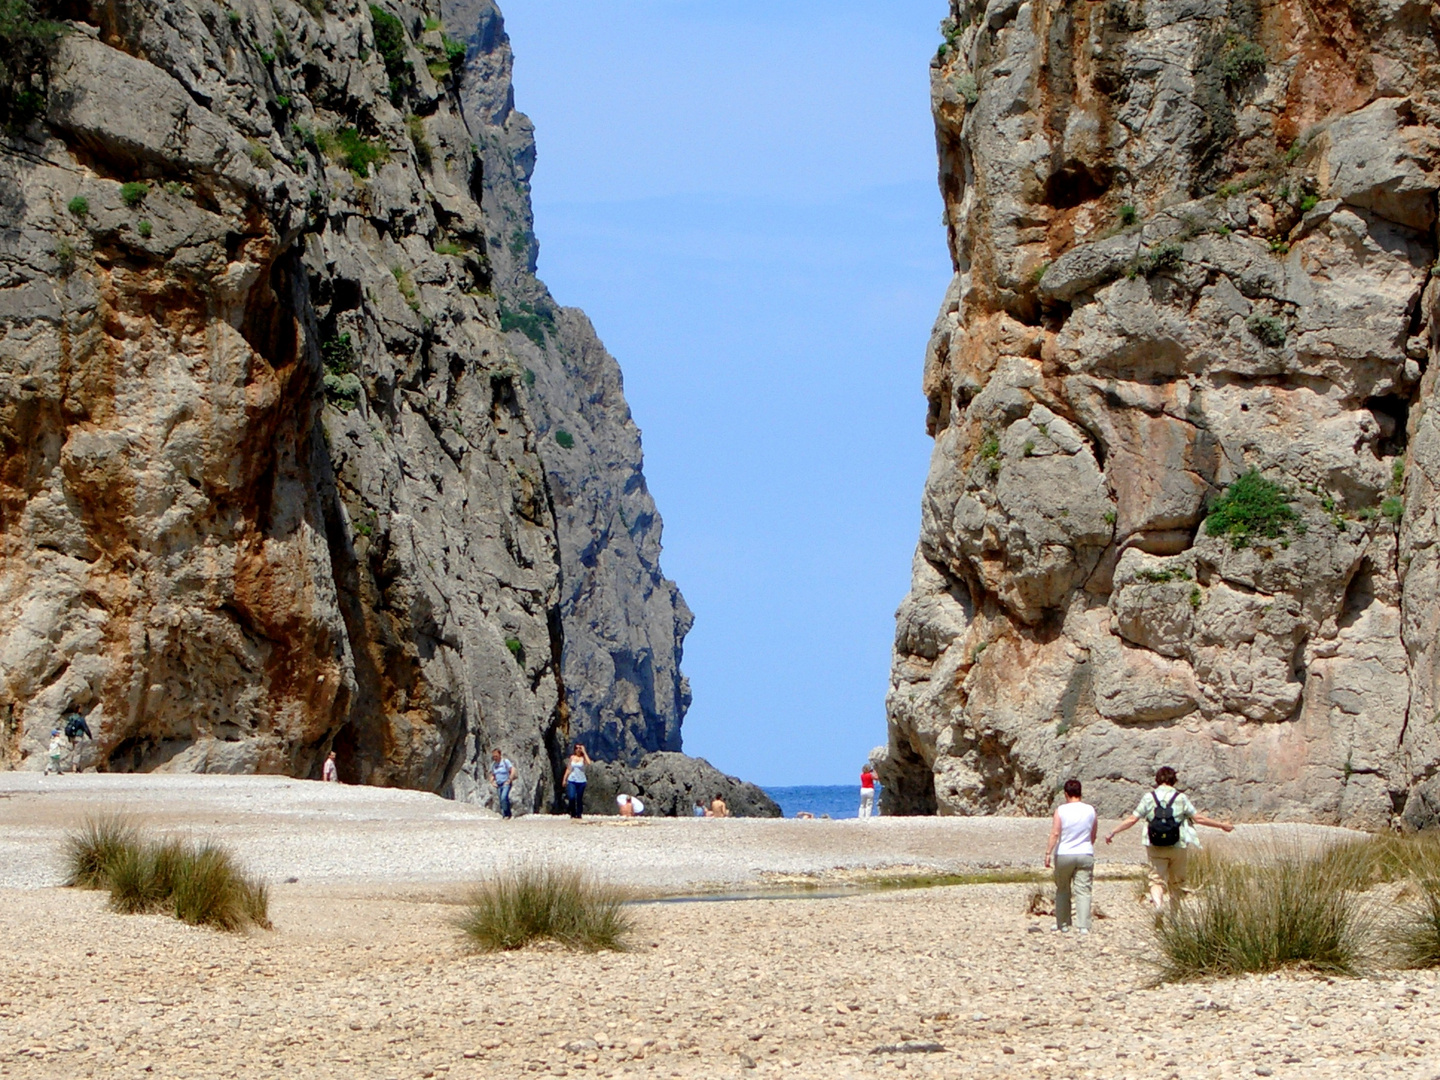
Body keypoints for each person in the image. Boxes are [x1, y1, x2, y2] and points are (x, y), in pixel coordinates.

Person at [1105, 766, 1235, 911]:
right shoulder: (1181, 797)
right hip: (1177, 844)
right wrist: (1221, 825)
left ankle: (1158, 906)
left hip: (1155, 845)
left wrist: (1113, 831)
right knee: (1177, 882)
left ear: (1157, 779)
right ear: (1174, 780)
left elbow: (1132, 819)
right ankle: (1174, 917)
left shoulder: (1149, 797)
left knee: (1156, 880)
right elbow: (1198, 818)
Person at [1044, 779, 1097, 934]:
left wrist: (1048, 852)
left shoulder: (1061, 810)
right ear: (1080, 792)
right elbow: (1093, 835)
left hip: (1064, 854)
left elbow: (1055, 833)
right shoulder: (1090, 810)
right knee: (1083, 890)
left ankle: (1063, 923)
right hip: (1085, 852)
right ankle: (1083, 926)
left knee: (1062, 889)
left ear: (1066, 794)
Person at [562, 743, 591, 819]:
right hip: (572, 780)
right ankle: (572, 813)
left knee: (579, 798)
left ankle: (579, 814)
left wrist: (584, 752)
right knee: (571, 797)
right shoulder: (572, 757)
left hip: (581, 781)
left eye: (579, 748)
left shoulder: (583, 758)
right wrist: (564, 779)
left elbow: (589, 763)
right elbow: (569, 769)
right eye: (576, 748)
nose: (578, 749)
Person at [490, 748, 515, 819]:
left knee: (504, 797)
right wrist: (492, 782)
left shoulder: (505, 761)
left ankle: (507, 814)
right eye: (493, 756)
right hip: (498, 784)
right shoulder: (494, 765)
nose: (495, 758)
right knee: (501, 800)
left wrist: (510, 779)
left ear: (500, 755)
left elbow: (512, 769)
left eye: (496, 756)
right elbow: (492, 774)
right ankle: (505, 815)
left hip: (505, 783)